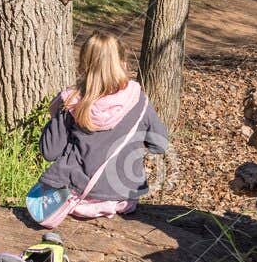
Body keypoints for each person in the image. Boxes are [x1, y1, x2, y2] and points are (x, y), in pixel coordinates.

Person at [30, 31, 170, 223]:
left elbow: (50, 152)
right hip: (122, 199)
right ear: (122, 63)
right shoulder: (139, 101)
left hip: (75, 199)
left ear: (83, 64)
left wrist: (57, 113)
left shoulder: (72, 102)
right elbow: (159, 145)